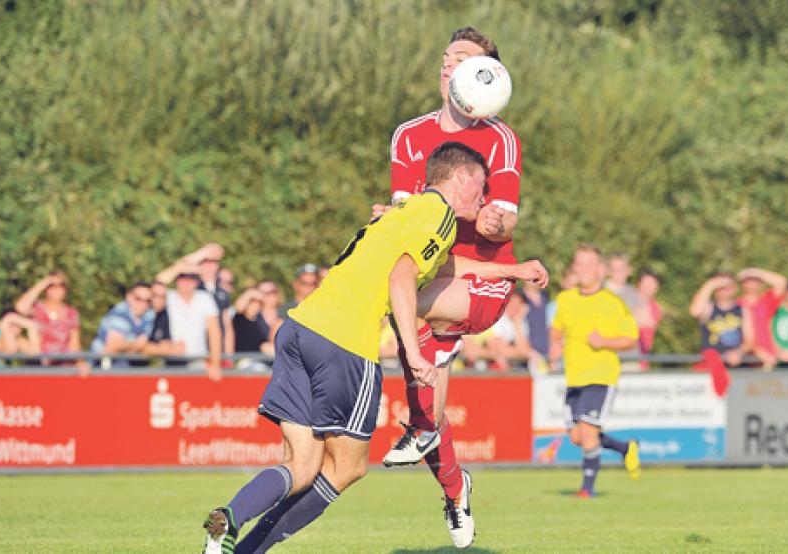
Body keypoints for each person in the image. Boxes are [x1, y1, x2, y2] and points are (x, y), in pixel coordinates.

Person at [200, 142, 486, 554]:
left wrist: (514, 270)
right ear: (459, 177)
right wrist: (415, 350)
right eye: (481, 182)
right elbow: (402, 275)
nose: (485, 193)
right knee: (348, 467)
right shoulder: (441, 216)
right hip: (345, 344)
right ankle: (249, 550)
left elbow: (442, 268)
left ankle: (227, 519)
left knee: (301, 465)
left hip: (300, 327)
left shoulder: (403, 213)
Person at [371, 26, 524, 547]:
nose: (447, 64)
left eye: (462, 58)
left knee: (403, 312)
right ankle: (456, 493)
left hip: (481, 281)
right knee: (431, 414)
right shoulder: (409, 135)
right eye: (445, 56)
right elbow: (403, 215)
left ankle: (418, 425)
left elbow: (504, 224)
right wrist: (394, 215)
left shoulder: (500, 139)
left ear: (485, 75)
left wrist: (490, 220)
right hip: (435, 282)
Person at [548, 245, 641, 497]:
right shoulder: (565, 299)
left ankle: (587, 489)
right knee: (577, 437)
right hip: (574, 376)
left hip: (601, 375)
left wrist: (605, 342)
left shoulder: (613, 302)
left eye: (590, 264)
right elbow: (556, 329)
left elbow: (631, 338)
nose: (584, 269)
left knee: (588, 433)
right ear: (574, 268)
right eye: (580, 264)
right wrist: (555, 344)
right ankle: (624, 448)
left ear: (600, 269)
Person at [14, 271, 87, 372]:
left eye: (61, 285)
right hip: (39, 364)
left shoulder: (71, 313)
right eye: (52, 285)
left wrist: (80, 362)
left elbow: (74, 343)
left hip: (64, 365)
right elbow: (20, 307)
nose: (56, 289)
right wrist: (44, 282)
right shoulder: (38, 308)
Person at [159, 271, 222, 380]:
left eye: (191, 279)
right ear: (176, 280)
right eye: (182, 278)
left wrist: (215, 364)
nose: (186, 283)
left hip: (197, 360)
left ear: (196, 282)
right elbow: (158, 282)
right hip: (173, 360)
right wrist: (183, 266)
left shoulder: (204, 298)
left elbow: (214, 331)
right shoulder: (169, 297)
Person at [689, 272, 754, 367]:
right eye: (720, 287)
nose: (724, 290)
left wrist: (739, 352)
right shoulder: (709, 308)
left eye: (728, 286)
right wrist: (710, 284)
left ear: (735, 288)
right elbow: (695, 312)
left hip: (737, 364)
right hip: (711, 365)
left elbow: (750, 340)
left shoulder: (743, 310)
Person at [90, 281, 155, 368]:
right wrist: (135, 345)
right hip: (100, 365)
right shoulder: (120, 315)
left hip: (124, 365)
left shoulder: (148, 315)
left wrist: (129, 345)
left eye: (147, 301)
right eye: (138, 298)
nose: (143, 304)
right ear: (129, 296)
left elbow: (142, 344)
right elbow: (112, 348)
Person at [736, 267, 787, 369]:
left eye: (755, 281)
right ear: (742, 284)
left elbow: (782, 283)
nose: (752, 284)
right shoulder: (736, 305)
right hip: (746, 359)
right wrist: (757, 351)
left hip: (769, 358)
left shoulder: (765, 301)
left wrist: (757, 272)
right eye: (748, 281)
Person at [633, 269, 662, 368]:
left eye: (652, 285)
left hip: (642, 361)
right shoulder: (626, 302)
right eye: (646, 284)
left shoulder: (655, 308)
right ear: (638, 284)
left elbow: (648, 322)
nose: (649, 288)